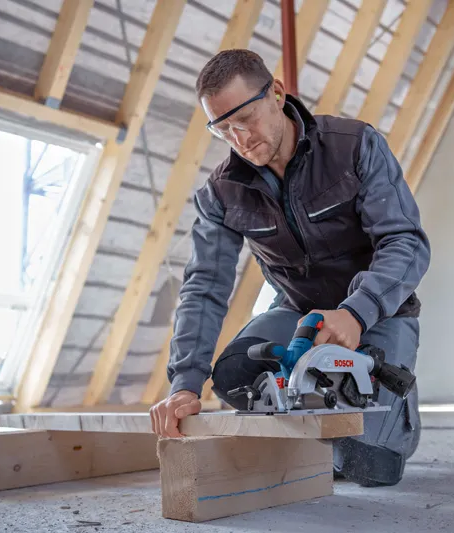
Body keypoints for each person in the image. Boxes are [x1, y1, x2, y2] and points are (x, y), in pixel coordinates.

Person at [149, 49, 431, 487]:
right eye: (222, 129)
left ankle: (395, 406)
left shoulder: (354, 146)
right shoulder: (222, 193)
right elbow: (204, 286)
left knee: (368, 465)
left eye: (245, 118)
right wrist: (184, 384)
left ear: (277, 93)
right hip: (299, 314)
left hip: (377, 314)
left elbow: (405, 242)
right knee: (234, 375)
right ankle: (312, 413)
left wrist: (357, 312)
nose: (240, 138)